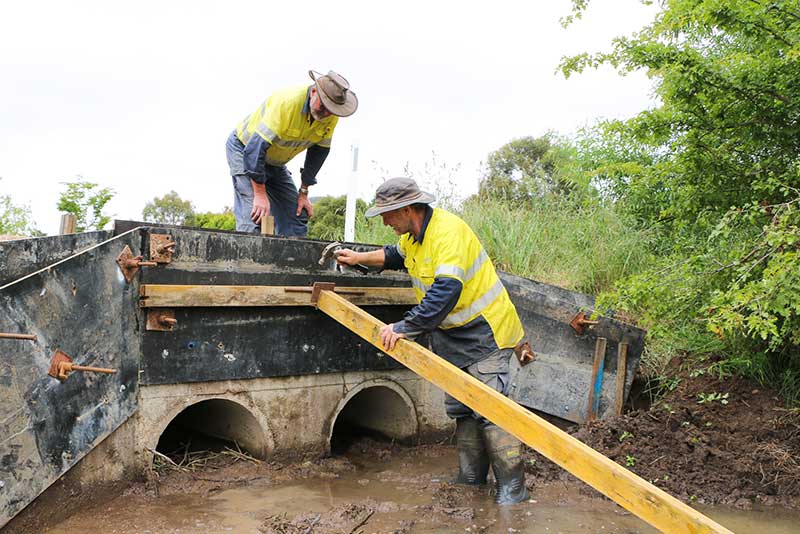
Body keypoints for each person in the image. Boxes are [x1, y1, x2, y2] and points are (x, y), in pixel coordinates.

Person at [335, 177, 530, 505]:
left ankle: (513, 486)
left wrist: (404, 327)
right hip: (452, 336)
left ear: (407, 209)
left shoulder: (447, 232)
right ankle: (471, 477)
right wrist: (357, 259)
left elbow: (446, 291)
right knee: (463, 409)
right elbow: (393, 256)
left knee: (491, 410)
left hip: (484, 331)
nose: (385, 222)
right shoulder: (413, 236)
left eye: (387, 215)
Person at [225, 70, 358, 236]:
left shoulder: (331, 114)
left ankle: (289, 261)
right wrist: (259, 193)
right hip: (245, 150)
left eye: (331, 110)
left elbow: (319, 152)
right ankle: (248, 261)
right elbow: (255, 150)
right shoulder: (287, 103)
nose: (326, 114)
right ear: (314, 91)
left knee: (296, 216)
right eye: (323, 107)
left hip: (275, 161)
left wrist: (304, 192)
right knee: (256, 215)